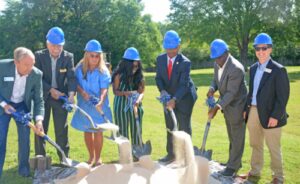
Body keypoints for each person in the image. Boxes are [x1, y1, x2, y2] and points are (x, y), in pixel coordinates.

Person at [242, 33, 289, 184]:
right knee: (255, 144)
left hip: (271, 115)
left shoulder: (278, 70)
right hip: (253, 112)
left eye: (264, 48)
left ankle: (278, 177)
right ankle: (255, 172)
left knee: (273, 147)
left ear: (270, 49)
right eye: (257, 48)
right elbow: (251, 92)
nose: (260, 51)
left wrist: (275, 116)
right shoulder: (254, 68)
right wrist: (246, 109)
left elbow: (282, 97)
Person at [0, 47, 44, 177]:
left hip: (22, 106)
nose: (30, 68)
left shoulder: (36, 74)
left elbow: (39, 100)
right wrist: (4, 105)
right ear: (16, 62)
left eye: (32, 64)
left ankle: (24, 170)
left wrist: (39, 120)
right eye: (26, 65)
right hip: (3, 105)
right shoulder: (2, 67)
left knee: (25, 139)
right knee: (0, 138)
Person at [34, 27, 76, 161]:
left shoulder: (68, 57)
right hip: (42, 97)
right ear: (47, 44)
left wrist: (70, 95)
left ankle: (64, 158)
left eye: (59, 46)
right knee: (41, 127)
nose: (57, 49)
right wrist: (51, 90)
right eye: (53, 46)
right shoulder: (39, 56)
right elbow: (37, 78)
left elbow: (71, 77)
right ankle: (41, 157)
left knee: (61, 130)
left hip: (61, 98)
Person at [155, 30, 197, 164]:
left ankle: (186, 156)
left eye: (173, 48)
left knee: (184, 126)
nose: (170, 51)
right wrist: (162, 91)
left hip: (184, 97)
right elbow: (158, 78)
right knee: (170, 125)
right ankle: (171, 154)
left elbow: (184, 85)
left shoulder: (185, 62)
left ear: (178, 46)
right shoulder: (160, 59)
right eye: (168, 48)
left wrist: (175, 99)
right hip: (167, 97)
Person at [207, 39, 247, 176]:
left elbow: (231, 92)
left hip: (237, 106)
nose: (217, 61)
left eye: (219, 57)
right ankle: (233, 162)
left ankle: (233, 167)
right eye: (215, 58)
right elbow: (216, 80)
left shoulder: (236, 68)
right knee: (232, 136)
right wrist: (212, 88)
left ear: (226, 53)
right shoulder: (217, 64)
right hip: (227, 105)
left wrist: (217, 106)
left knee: (237, 137)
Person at [71, 39, 112, 166]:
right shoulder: (79, 69)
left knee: (98, 130)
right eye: (92, 55)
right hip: (85, 103)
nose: (94, 58)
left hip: (100, 103)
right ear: (86, 54)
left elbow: (104, 88)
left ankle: (98, 158)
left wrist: (101, 100)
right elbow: (75, 83)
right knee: (88, 130)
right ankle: (91, 157)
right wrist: (82, 93)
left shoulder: (103, 70)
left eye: (97, 56)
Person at [112, 47, 145, 146]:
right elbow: (115, 91)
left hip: (136, 105)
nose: (135, 68)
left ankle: (137, 152)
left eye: (137, 65)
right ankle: (124, 154)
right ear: (126, 64)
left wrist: (138, 100)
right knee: (122, 131)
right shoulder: (118, 76)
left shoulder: (139, 75)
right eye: (133, 66)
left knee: (137, 130)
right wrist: (125, 93)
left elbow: (142, 91)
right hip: (121, 105)